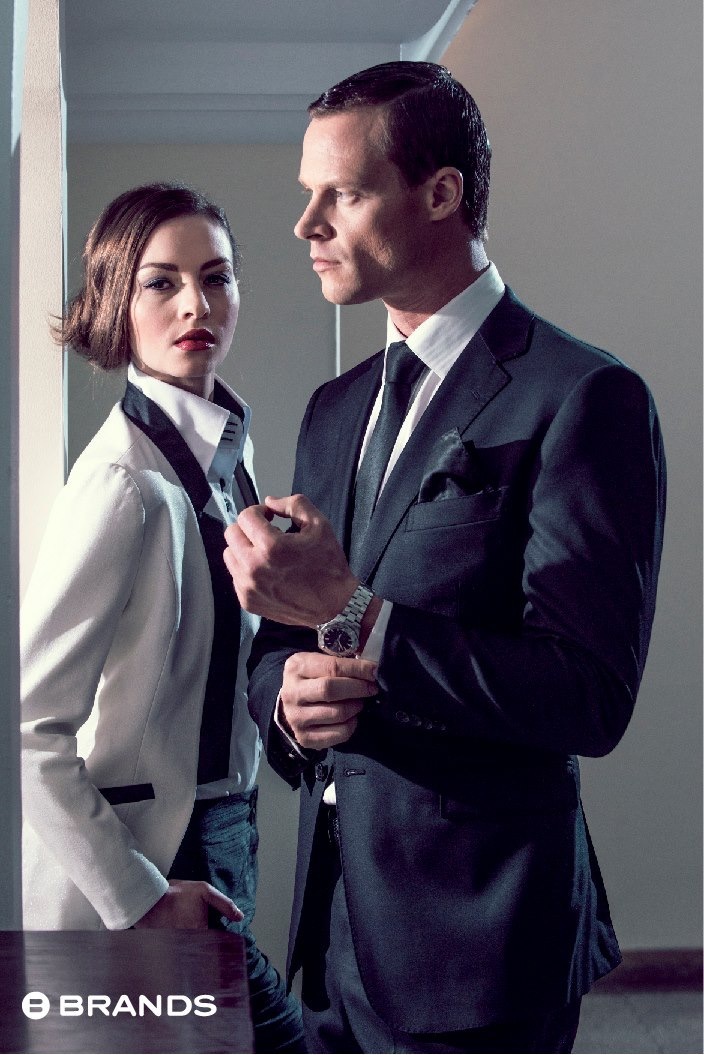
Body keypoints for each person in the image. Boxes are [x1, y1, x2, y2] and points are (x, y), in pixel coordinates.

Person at [223, 62, 667, 1054]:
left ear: (439, 193)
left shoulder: (581, 396)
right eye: (306, 194)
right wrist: (286, 700)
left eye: (341, 194)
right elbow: (279, 648)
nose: (305, 224)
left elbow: (588, 694)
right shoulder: (333, 410)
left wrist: (359, 618)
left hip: (484, 943)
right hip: (330, 934)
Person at [20, 183, 304, 1052]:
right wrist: (138, 895)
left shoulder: (230, 458)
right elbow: (26, 727)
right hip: (152, 854)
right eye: (162, 282)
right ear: (118, 299)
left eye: (216, 278)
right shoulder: (122, 483)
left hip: (227, 829)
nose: (196, 305)